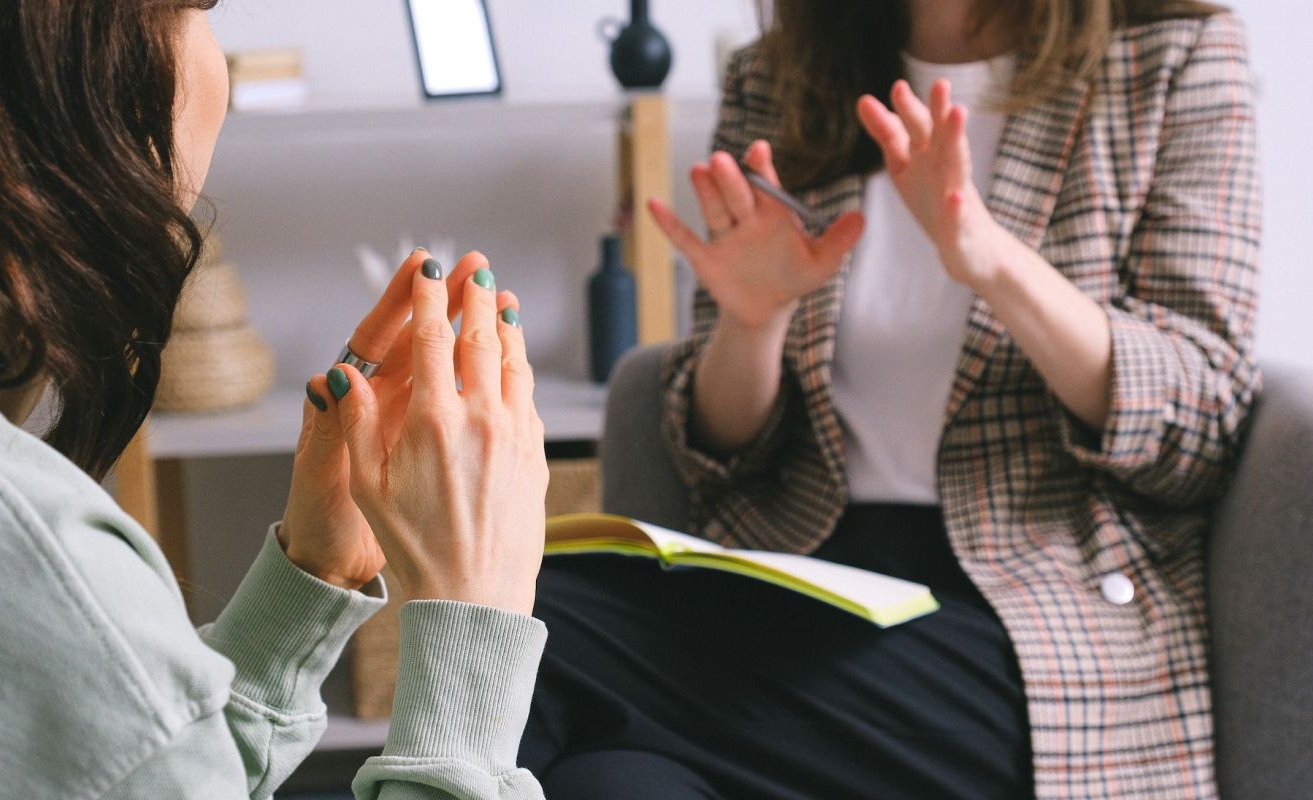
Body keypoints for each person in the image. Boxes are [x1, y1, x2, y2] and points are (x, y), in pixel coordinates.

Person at [519, 0, 1259, 798]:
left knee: (526, 627)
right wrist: (752, 319)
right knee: (612, 783)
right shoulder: (776, 77)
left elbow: (1204, 423)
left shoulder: (1172, 53)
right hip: (794, 585)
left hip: (1037, 626)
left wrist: (992, 263)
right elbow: (720, 459)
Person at [0, 2, 551, 798]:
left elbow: (144, 771)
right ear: (70, 63)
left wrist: (315, 571)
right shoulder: (47, 577)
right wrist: (474, 617)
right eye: (201, 11)